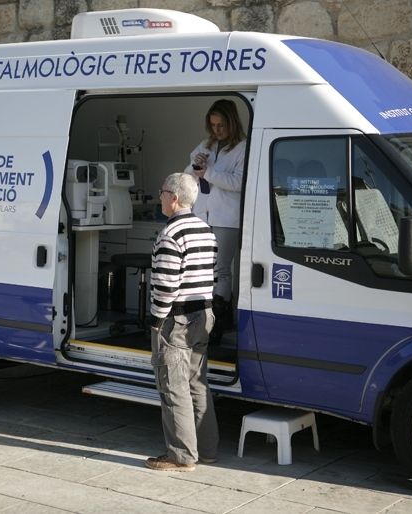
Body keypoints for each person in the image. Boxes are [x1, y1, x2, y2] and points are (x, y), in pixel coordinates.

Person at [145, 172, 219, 472]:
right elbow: (212, 275)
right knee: (197, 384)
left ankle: (181, 456)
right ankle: (207, 450)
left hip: (177, 318)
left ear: (174, 198)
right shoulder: (206, 229)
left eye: (162, 192)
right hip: (204, 314)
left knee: (173, 386)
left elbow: (165, 284)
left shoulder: (171, 234)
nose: (159, 196)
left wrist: (156, 319)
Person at [185, 99, 246, 345]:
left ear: (231, 123)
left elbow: (237, 183)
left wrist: (207, 172)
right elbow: (187, 176)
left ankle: (218, 322)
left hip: (226, 217)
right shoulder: (206, 144)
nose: (217, 130)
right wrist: (194, 166)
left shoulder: (242, 147)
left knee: (221, 270)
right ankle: (200, 320)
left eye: (221, 125)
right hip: (203, 214)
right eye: (213, 125)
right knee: (201, 269)